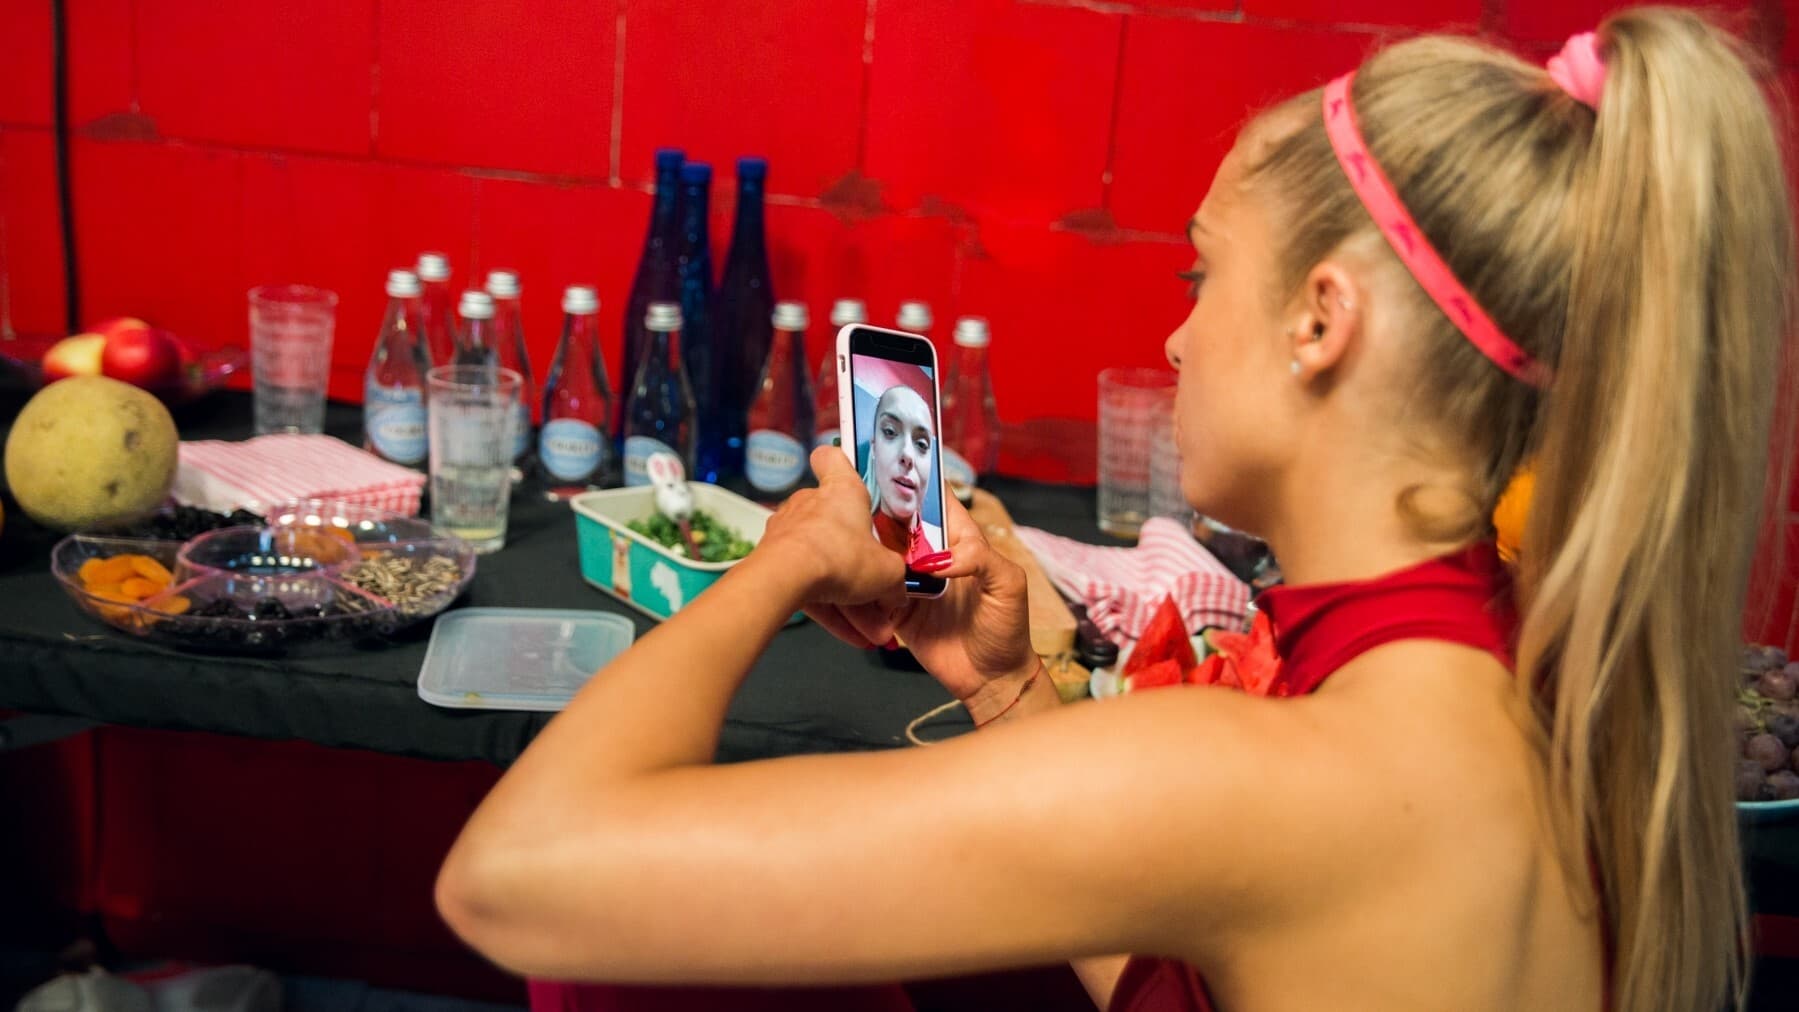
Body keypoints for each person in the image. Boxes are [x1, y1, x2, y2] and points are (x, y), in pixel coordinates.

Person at [435, 10, 1792, 1012]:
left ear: (1320, 321)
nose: (1178, 338)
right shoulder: (1525, 682)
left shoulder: (1273, 769)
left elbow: (515, 875)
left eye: (1202, 275)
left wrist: (779, 561)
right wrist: (1003, 685)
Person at [862, 384, 949, 570]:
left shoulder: (944, 544)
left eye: (922, 444)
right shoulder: (852, 544)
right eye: (890, 432)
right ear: (874, 446)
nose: (908, 455)